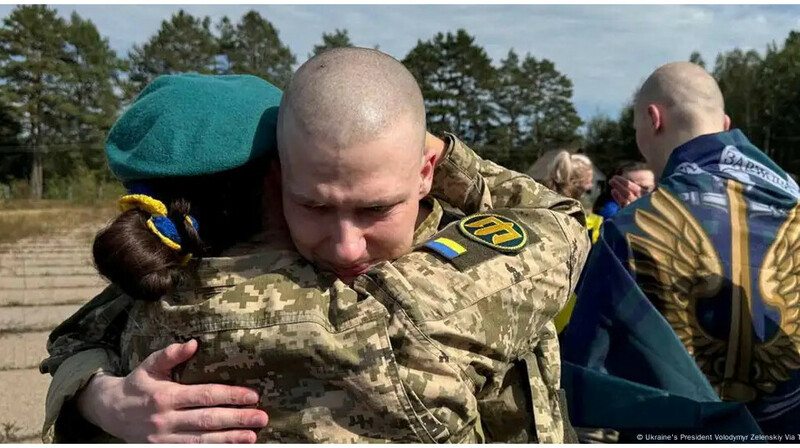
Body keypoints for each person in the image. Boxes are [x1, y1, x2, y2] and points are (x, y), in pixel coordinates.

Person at [42, 49, 590, 443]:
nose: (349, 248)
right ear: (277, 180)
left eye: (376, 208)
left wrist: (96, 398)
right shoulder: (417, 309)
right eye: (314, 206)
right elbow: (563, 219)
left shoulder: (151, 304)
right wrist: (433, 153)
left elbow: (76, 336)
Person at [561, 61, 800, 437]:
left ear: (653, 119)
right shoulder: (793, 206)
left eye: (636, 127)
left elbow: (584, 384)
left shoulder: (631, 230)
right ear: (724, 125)